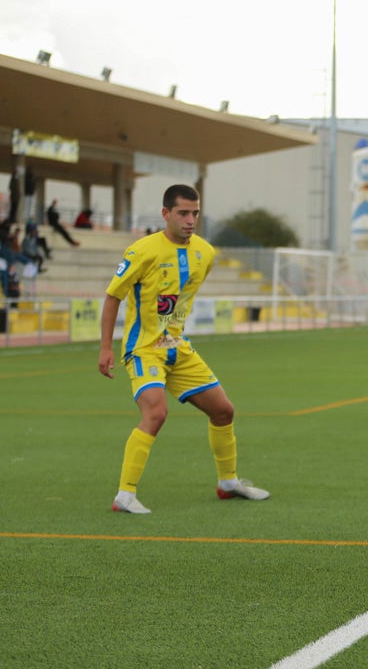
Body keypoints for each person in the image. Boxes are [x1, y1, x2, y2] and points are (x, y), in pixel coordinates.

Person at [98, 184, 269, 514]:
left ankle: (228, 482)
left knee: (223, 410)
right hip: (144, 348)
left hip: (175, 345)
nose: (190, 220)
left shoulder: (205, 253)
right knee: (156, 413)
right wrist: (106, 347)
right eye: (183, 213)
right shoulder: (141, 251)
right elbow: (112, 296)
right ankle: (125, 495)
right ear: (165, 214)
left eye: (195, 214)